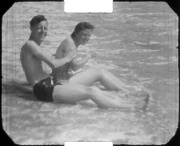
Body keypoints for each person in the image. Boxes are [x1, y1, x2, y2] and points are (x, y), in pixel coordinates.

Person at [20, 15, 148, 110]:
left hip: (50, 83)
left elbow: (31, 70)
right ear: (31, 27)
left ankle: (127, 94)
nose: (43, 31)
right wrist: (68, 57)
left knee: (94, 89)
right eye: (39, 28)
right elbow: (53, 64)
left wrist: (29, 83)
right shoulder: (31, 45)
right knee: (91, 91)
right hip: (44, 89)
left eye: (45, 28)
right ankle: (131, 107)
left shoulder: (34, 46)